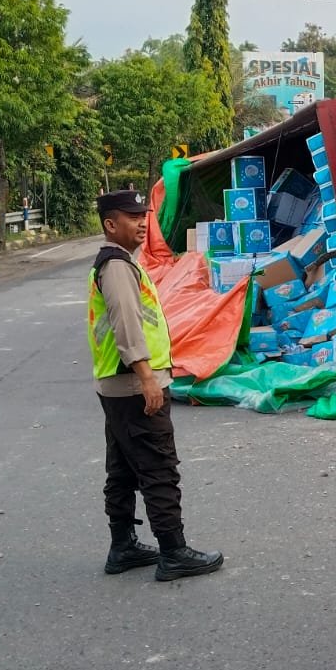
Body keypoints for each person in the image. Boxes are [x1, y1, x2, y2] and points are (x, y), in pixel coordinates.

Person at [87, 189, 224, 581]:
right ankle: (174, 551)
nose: (142, 222)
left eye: (143, 215)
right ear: (111, 225)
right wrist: (148, 378)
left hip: (116, 385)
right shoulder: (116, 267)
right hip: (132, 384)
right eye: (132, 217)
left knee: (124, 468)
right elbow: (126, 323)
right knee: (158, 467)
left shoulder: (117, 263)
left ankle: (123, 545)